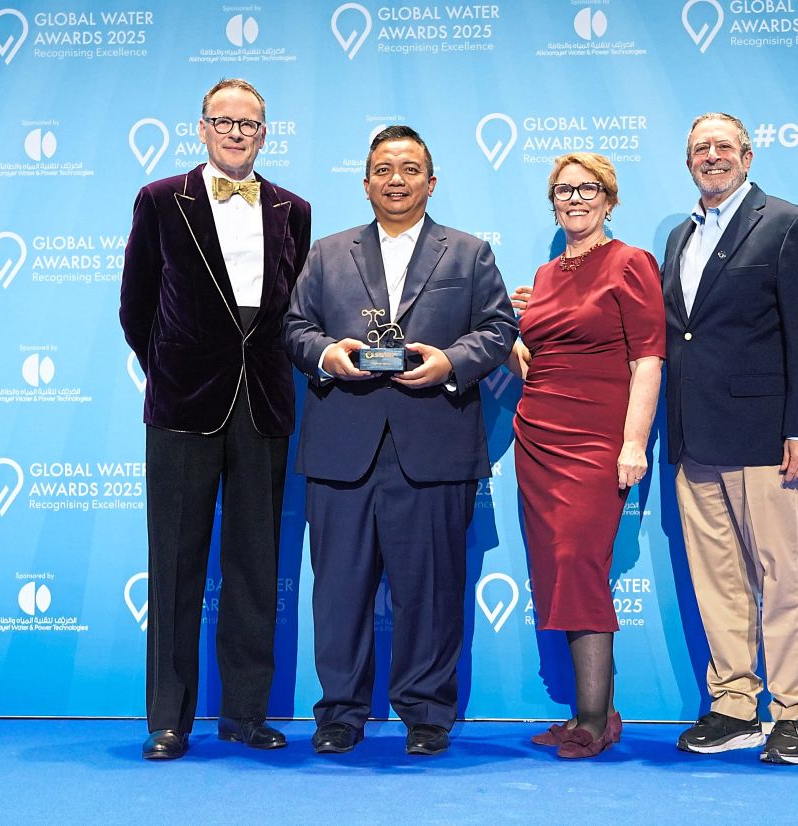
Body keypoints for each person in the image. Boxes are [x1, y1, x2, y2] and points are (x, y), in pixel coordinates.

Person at [283, 126, 517, 756]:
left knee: (433, 591)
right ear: (365, 183)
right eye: (383, 169)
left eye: (410, 169)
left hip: (434, 445)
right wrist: (327, 353)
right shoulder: (327, 253)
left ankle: (426, 713)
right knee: (337, 592)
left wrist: (452, 362)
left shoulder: (468, 253)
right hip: (342, 446)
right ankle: (340, 713)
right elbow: (294, 328)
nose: (396, 179)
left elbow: (498, 328)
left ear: (431, 182)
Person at [119, 78, 311, 761]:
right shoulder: (159, 200)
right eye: (223, 121)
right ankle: (168, 719)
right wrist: (173, 367)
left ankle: (245, 714)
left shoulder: (294, 209)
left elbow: (294, 313)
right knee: (175, 563)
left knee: (257, 565)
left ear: (265, 133)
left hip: (263, 404)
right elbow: (135, 306)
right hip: (181, 405)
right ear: (200, 128)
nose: (236, 133)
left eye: (249, 124)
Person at [663, 113, 798, 764]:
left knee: (781, 576)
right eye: (699, 149)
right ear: (689, 164)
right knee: (719, 582)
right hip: (695, 437)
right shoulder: (682, 236)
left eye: (722, 146)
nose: (712, 156)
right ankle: (735, 705)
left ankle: (796, 714)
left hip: (768, 439)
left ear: (748, 155)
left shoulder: (787, 224)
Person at [508, 153, 664, 759]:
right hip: (538, 438)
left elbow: (647, 359)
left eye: (587, 188)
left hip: (597, 440)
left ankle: (596, 721)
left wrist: (632, 444)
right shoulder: (545, 277)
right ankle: (584, 712)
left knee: (579, 563)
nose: (574, 198)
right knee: (556, 570)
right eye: (563, 190)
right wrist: (516, 350)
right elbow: (535, 348)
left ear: (609, 199)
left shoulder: (630, 263)